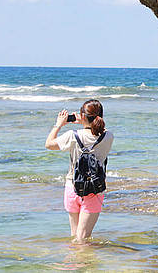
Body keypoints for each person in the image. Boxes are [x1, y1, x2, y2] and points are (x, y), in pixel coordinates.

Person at [45, 99, 114, 242]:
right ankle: (84, 263)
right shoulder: (108, 136)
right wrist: (85, 122)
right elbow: (102, 130)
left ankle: (72, 263)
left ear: (83, 116)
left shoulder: (72, 135)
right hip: (94, 189)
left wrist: (59, 124)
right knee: (83, 238)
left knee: (75, 235)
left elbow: (49, 144)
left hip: (73, 187)